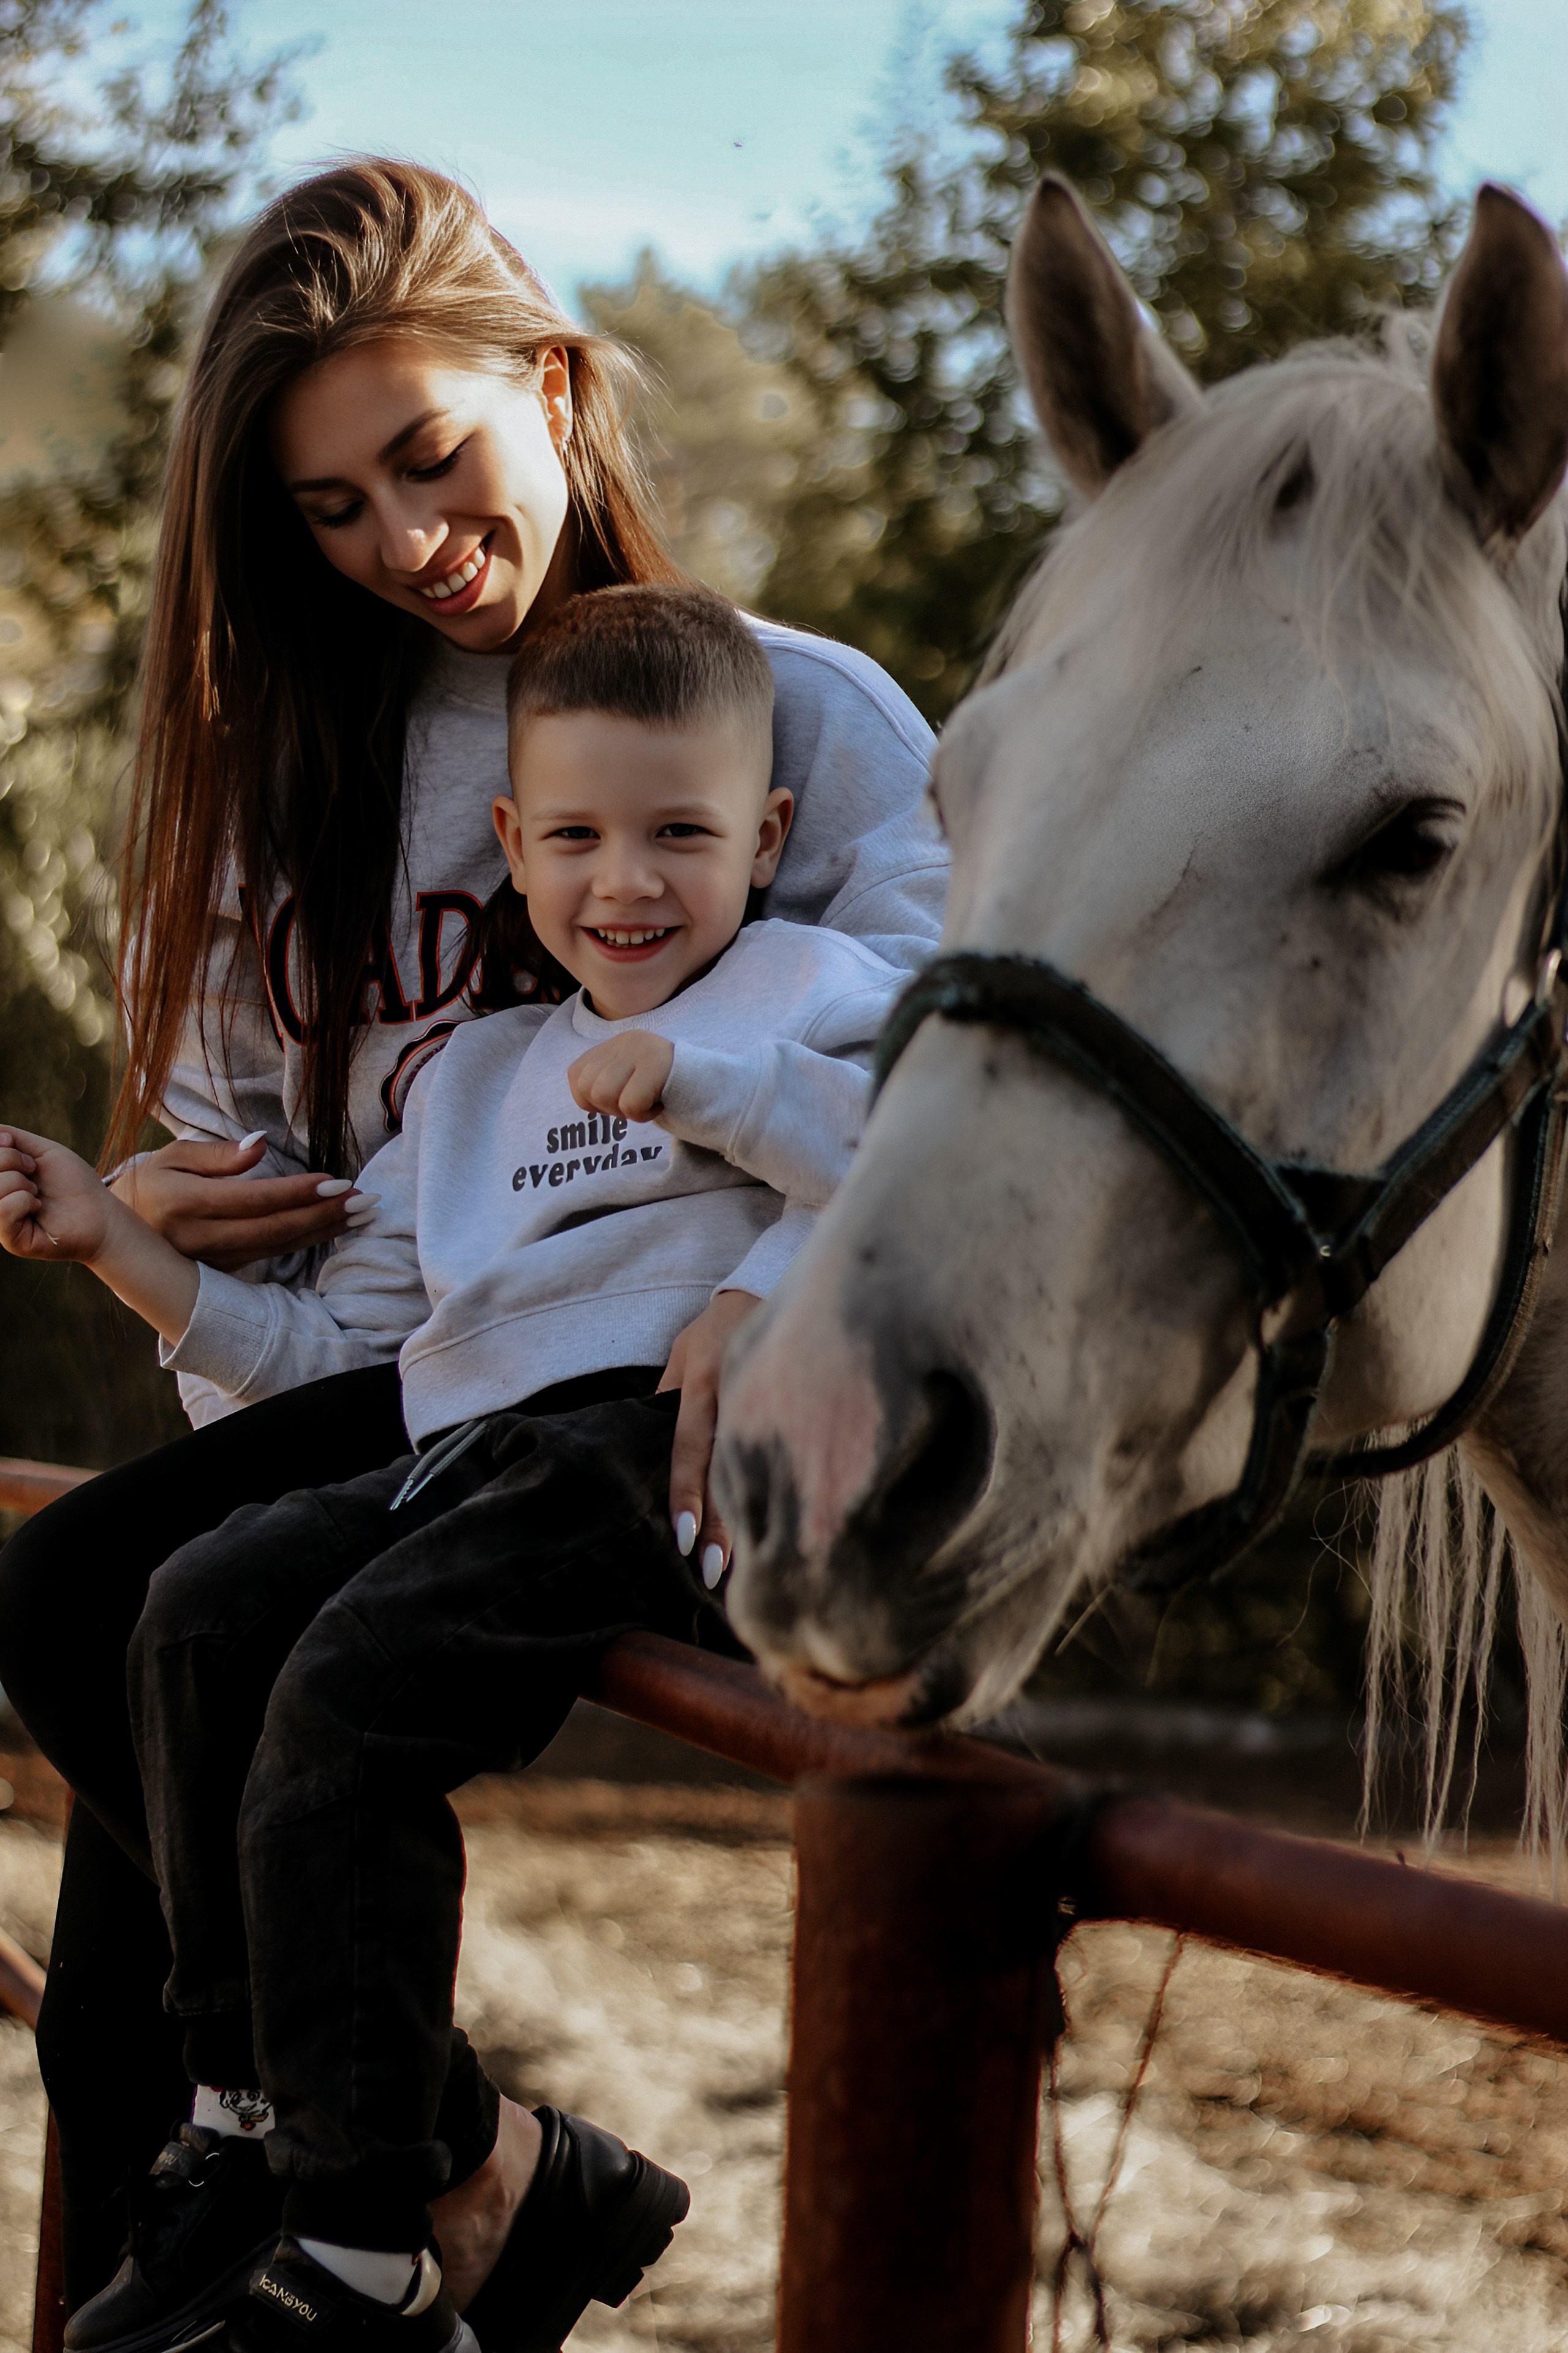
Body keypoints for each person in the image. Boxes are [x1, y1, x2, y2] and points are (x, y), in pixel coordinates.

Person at [0, 159, 945, 2307]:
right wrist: (154, 1203)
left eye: (430, 456)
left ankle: (358, 2194)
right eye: (331, 510)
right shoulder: (282, 768)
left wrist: (763, 1287)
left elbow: (937, 1092)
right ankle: (460, 2164)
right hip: (392, 1371)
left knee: (177, 1735)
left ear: (558, 380)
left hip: (647, 1397)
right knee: (77, 1602)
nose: (404, 542)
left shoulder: (802, 718)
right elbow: (254, 1141)